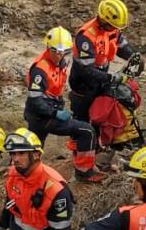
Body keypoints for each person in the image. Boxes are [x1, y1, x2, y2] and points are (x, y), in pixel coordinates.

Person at [24, 26, 107, 183]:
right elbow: (35, 101)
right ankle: (84, 172)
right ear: (48, 48)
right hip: (42, 115)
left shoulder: (61, 61)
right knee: (86, 131)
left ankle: (25, 172)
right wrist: (56, 113)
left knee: (34, 148)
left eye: (64, 51)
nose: (60, 54)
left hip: (44, 112)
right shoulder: (40, 69)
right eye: (55, 50)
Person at [70, 0, 138, 123]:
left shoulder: (111, 30)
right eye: (112, 26)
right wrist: (111, 78)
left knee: (101, 114)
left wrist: (133, 56)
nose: (115, 29)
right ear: (103, 20)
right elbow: (86, 70)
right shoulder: (86, 36)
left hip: (100, 78)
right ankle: (77, 142)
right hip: (83, 84)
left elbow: (121, 47)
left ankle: (97, 139)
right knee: (82, 120)